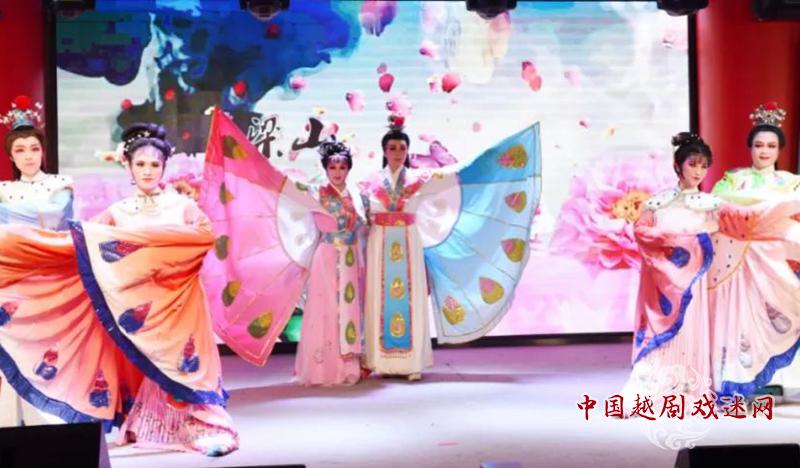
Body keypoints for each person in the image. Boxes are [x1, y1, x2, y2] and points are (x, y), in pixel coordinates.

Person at [0, 122, 238, 456]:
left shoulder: (180, 206)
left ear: (164, 167)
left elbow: (203, 236)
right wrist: (20, 243)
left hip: (178, 302)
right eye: (140, 164)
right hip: (136, 305)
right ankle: (150, 422)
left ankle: (205, 425)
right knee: (142, 362)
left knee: (185, 365)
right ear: (128, 166)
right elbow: (77, 243)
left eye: (154, 164)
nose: (147, 171)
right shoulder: (119, 211)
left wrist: (151, 246)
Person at [360, 121, 541, 380]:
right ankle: (381, 361)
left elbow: (456, 172)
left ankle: (410, 364)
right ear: (384, 151)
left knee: (408, 299)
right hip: (380, 243)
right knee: (380, 298)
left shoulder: (420, 179)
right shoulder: (370, 182)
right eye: (392, 148)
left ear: (407, 151)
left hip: (408, 242)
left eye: (402, 148)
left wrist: (489, 157)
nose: (397, 153)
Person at [201, 107, 365, 385]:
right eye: (333, 167)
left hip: (349, 257)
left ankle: (349, 366)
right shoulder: (315, 193)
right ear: (326, 169)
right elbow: (281, 185)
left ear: (348, 169)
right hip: (326, 256)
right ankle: (324, 368)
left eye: (342, 167)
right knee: (325, 310)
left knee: (348, 308)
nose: (337, 172)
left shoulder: (356, 196)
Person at [621, 133, 719, 410]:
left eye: (704, 166)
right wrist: (675, 239)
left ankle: (689, 388)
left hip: (695, 282)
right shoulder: (657, 203)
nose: (698, 171)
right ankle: (654, 387)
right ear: (678, 165)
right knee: (662, 338)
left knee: (690, 331)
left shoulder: (711, 205)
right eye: (693, 164)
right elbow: (642, 233)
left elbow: (720, 237)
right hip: (662, 283)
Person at [709, 103, 800, 399]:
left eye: (771, 146)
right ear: (750, 147)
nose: (764, 151)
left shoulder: (791, 182)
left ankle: (778, 378)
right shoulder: (734, 179)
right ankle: (742, 378)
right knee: (742, 318)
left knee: (782, 312)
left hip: (776, 259)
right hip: (741, 259)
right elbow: (717, 203)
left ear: (779, 150)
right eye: (759, 145)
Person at [0, 96, 73, 427]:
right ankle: (13, 419)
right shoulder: (4, 190)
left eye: (33, 148)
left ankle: (51, 419)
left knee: (50, 351)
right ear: (11, 156)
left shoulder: (61, 184)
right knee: (15, 347)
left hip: (51, 279)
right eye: (20, 150)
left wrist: (13, 220)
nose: (28, 156)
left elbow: (57, 220)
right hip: (14, 281)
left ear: (43, 151)